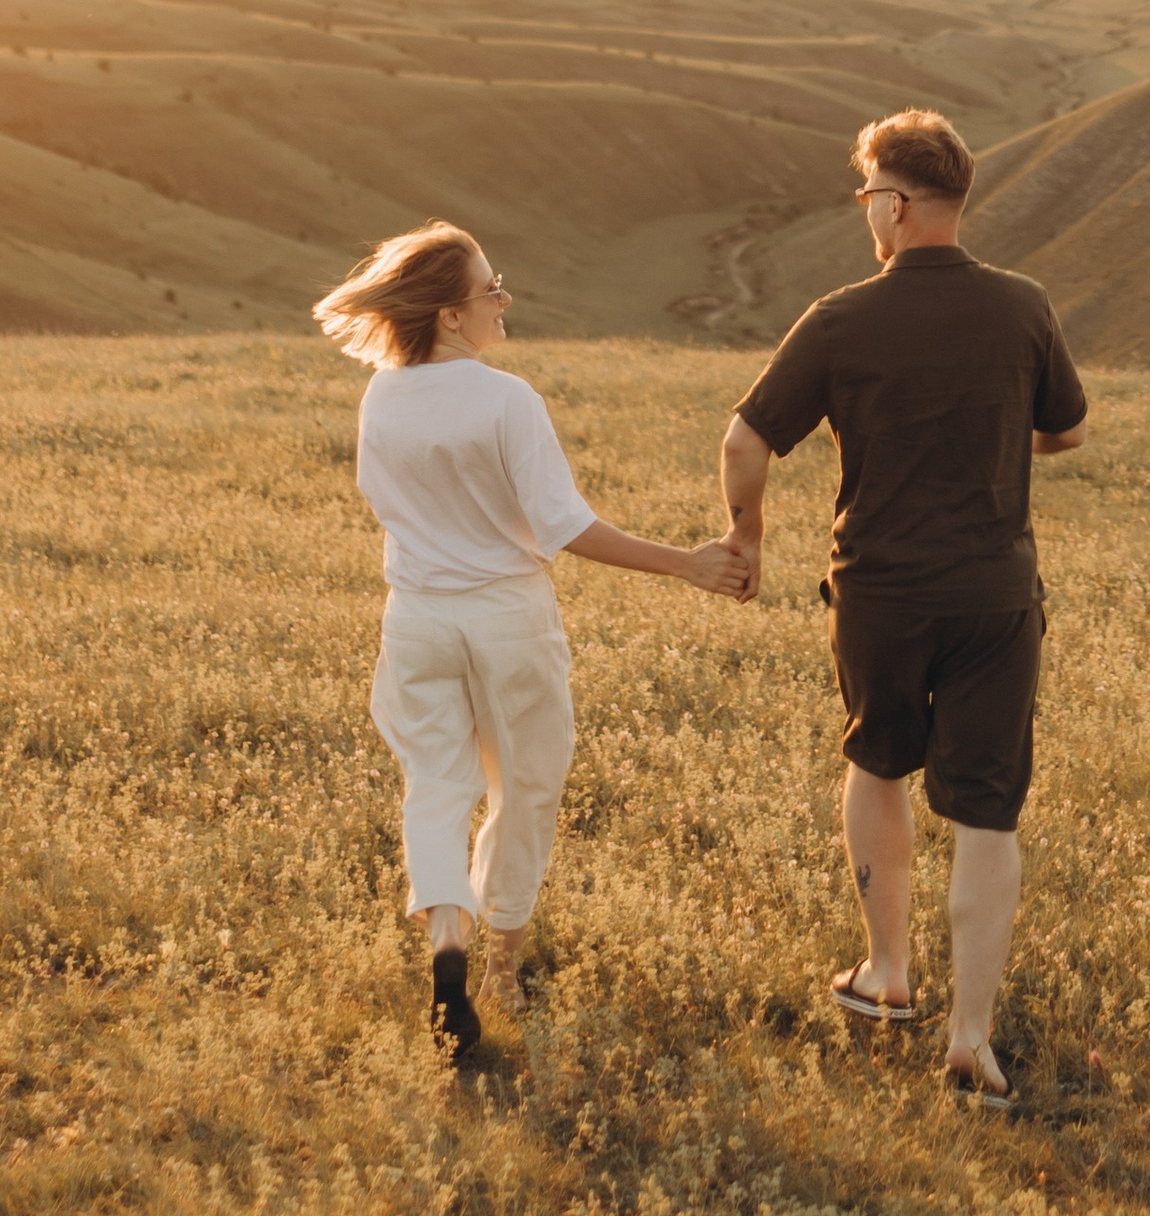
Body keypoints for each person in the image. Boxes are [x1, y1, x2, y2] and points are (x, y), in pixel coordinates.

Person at [716, 109, 1088, 1110]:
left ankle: (886, 973)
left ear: (896, 203)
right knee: (985, 814)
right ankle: (970, 1036)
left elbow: (745, 443)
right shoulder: (1022, 307)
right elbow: (1068, 431)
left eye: (866, 196)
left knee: (877, 760)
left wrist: (745, 540)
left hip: (878, 591)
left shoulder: (841, 318)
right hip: (994, 595)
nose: (863, 213)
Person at [316, 219, 747, 1057]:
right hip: (506, 616)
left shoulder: (382, 393)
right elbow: (566, 525)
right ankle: (501, 965)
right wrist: (687, 565)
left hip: (415, 619)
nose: (503, 300)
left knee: (435, 785)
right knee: (525, 786)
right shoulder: (506, 398)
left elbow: (386, 502)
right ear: (448, 316)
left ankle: (449, 942)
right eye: (490, 289)